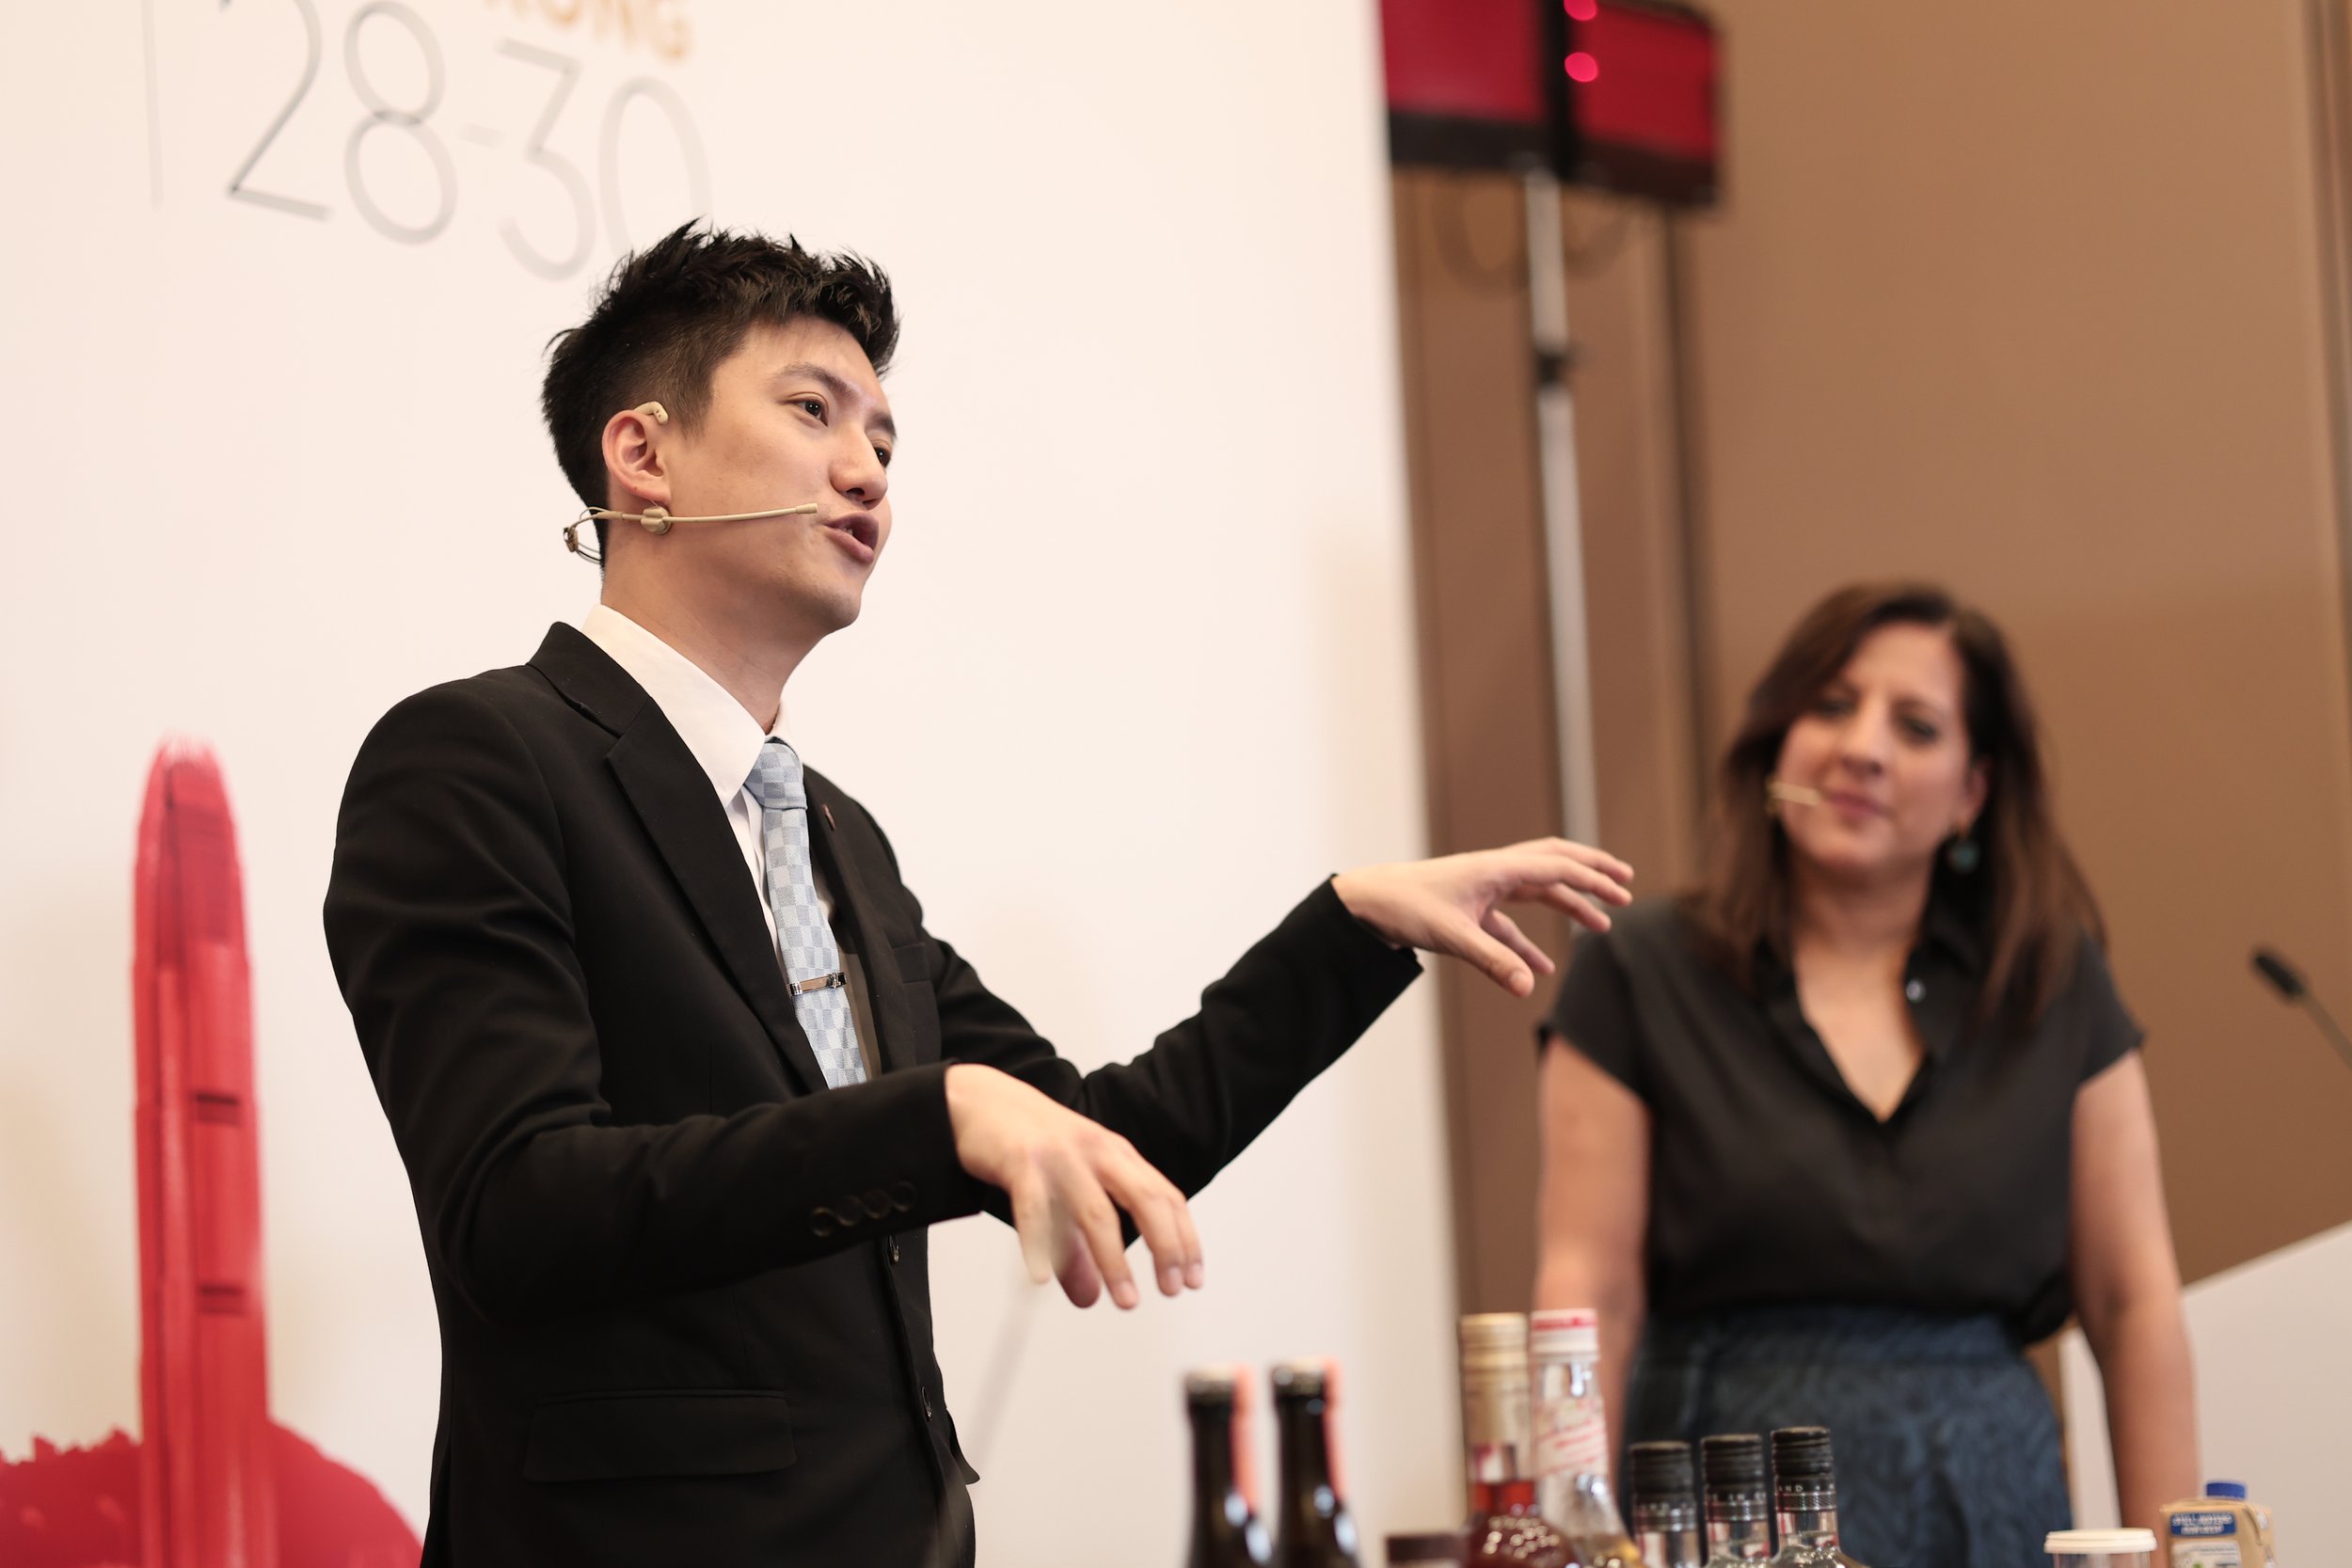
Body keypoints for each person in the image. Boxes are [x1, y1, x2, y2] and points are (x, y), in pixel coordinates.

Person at [321, 223, 1634, 1568]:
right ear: (643, 455)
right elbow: (519, 1208)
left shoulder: (836, 837)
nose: (866, 472)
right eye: (813, 410)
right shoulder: (480, 760)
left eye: (884, 439)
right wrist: (936, 1114)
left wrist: (1349, 926)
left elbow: (1098, 1140)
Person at [1534, 583, 2197, 1568]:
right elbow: (1589, 1290)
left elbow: (2131, 1298)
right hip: (1728, 1497)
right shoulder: (1640, 970)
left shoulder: (2051, 979)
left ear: (1971, 791)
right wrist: (1564, 1538)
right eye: (1831, 706)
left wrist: (2178, 1553)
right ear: (1777, 746)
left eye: (1916, 726)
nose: (1862, 749)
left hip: (1992, 1503)